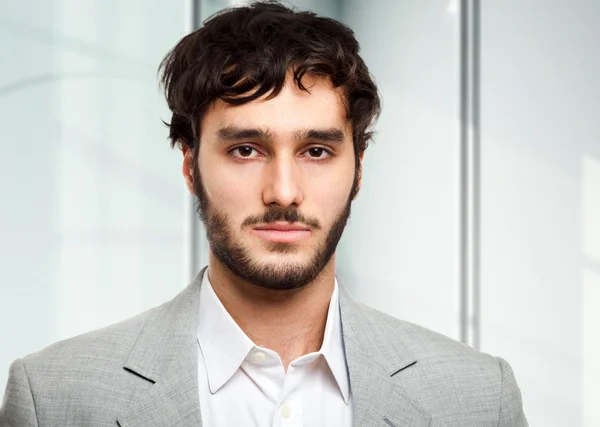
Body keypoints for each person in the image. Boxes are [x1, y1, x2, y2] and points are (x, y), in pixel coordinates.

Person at [0, 2, 528, 426]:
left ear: (359, 169)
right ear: (190, 166)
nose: (283, 191)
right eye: (246, 149)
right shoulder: (53, 397)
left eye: (316, 151)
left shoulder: (481, 398)